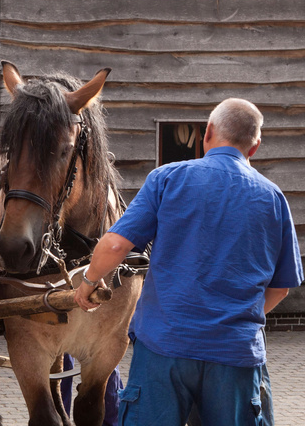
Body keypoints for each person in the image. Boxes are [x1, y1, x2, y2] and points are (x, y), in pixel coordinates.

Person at [74, 98, 303, 425]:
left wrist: (88, 281)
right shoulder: (273, 197)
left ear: (207, 133)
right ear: (254, 147)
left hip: (164, 347)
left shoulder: (167, 178)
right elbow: (280, 288)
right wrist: (234, 317)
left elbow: (115, 245)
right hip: (235, 353)